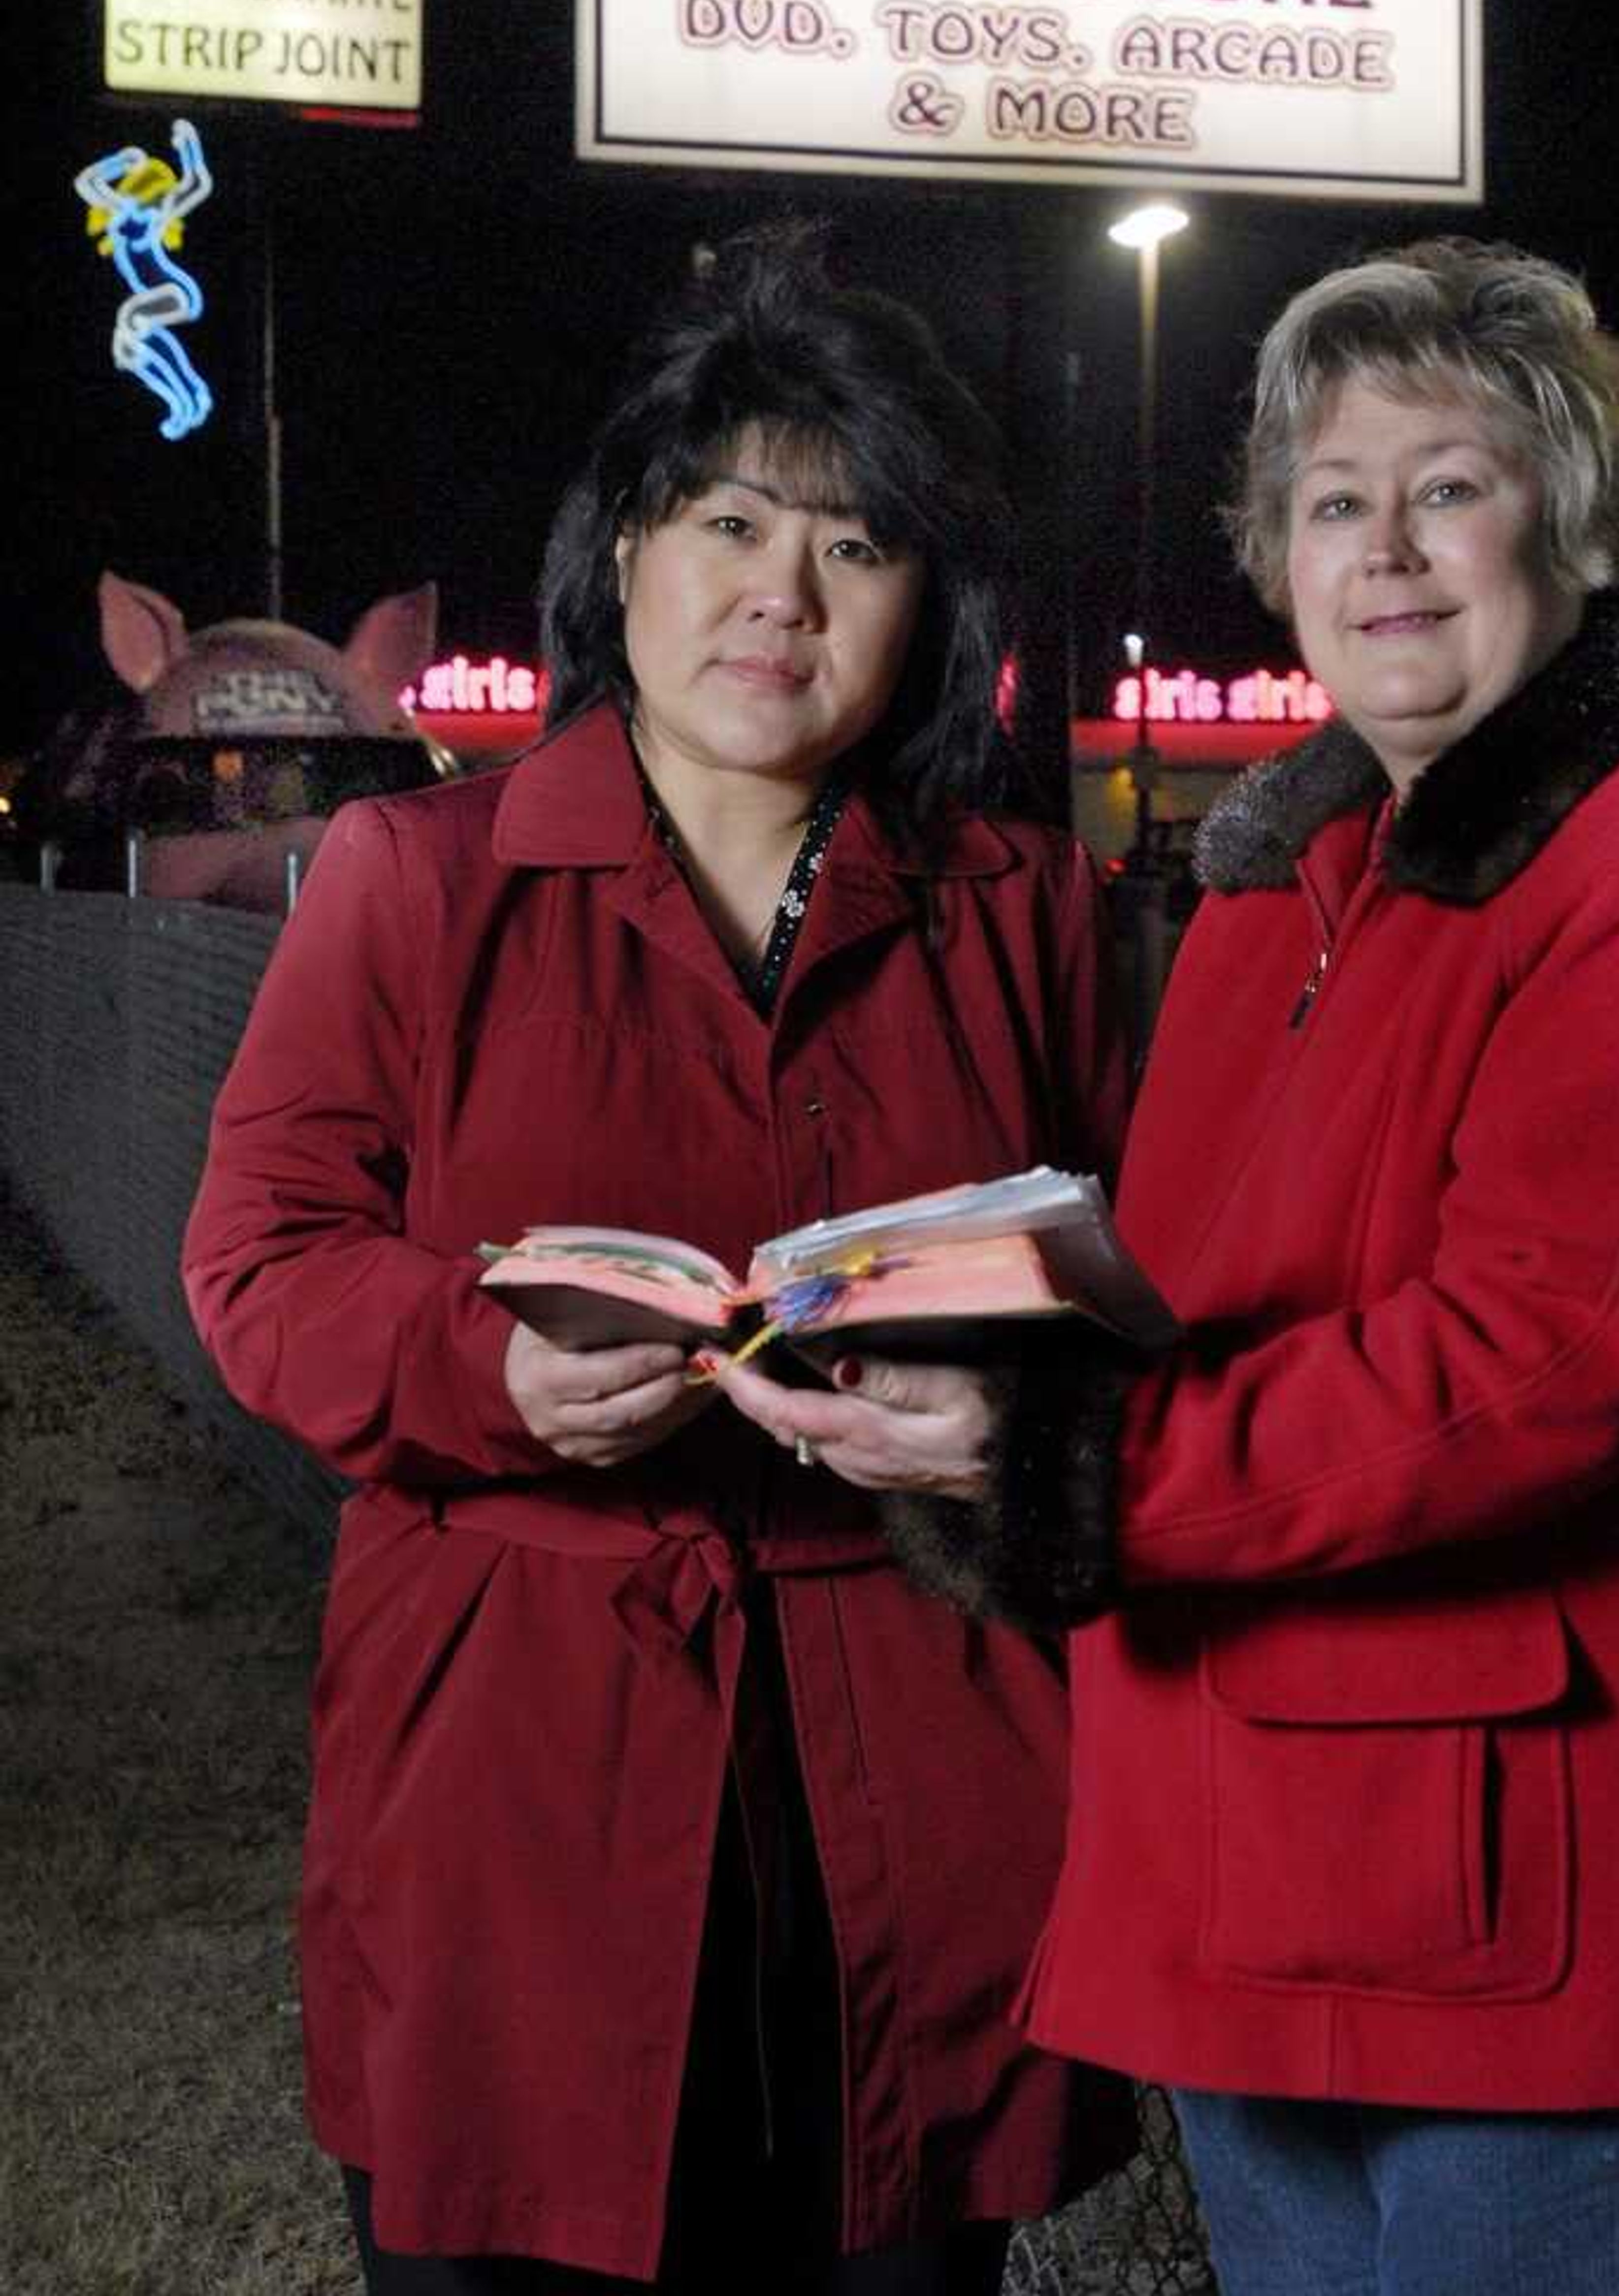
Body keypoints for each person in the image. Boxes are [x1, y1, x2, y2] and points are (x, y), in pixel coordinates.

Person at [766, 237, 1619, 2296]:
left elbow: (1545, 1363)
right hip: (1232, 1850)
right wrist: (959, 1351)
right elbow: (1187, 1316)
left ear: (1577, 520)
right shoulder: (1270, 895)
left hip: (1508, 1905)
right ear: (1278, 555)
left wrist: (1058, 1469)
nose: (1393, 554)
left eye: (1454, 487)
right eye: (1337, 504)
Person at [181, 232, 1134, 2293]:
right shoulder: (414, 881)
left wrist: (1015, 1410)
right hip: (515, 1757)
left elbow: (1148, 1282)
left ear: (928, 612)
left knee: (889, 2243)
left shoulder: (1026, 911)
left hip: (921, 1743)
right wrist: (479, 1364)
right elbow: (260, 1258)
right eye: (729, 522)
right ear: (627, 553)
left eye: (855, 544)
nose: (780, 594)